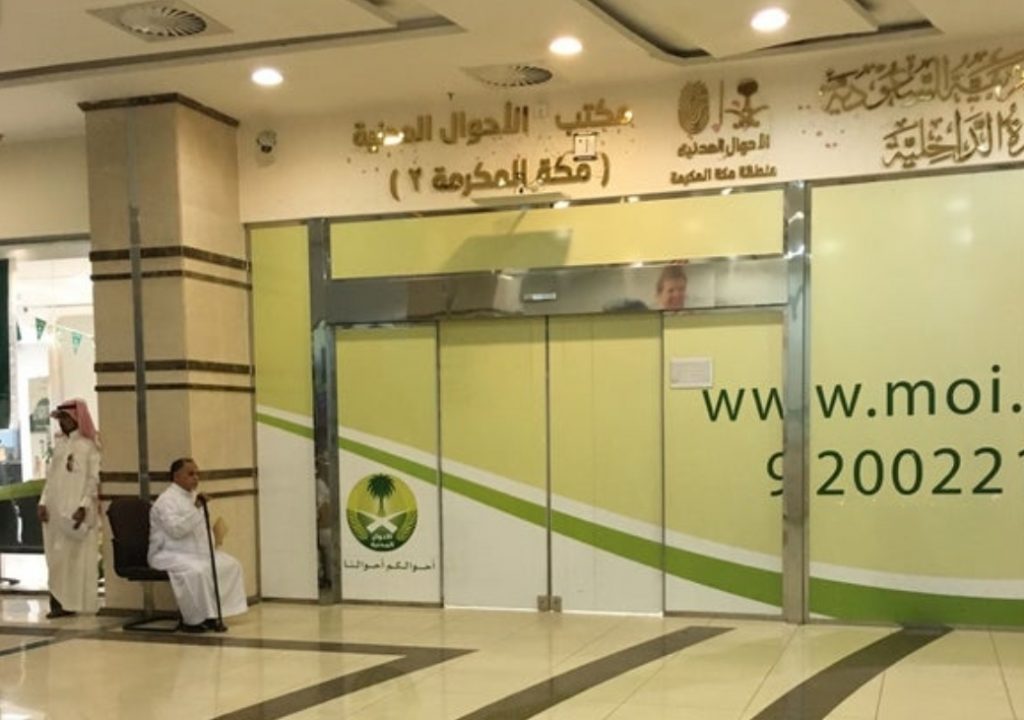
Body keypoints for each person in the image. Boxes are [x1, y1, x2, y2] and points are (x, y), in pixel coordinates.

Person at [149, 458, 247, 632]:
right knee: (198, 571)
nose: (196, 478)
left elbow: (200, 529)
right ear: (176, 477)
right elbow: (176, 531)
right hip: (169, 553)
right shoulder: (166, 501)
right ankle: (193, 620)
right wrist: (195, 509)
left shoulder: (194, 496)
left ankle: (213, 615)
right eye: (190, 474)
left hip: (196, 552)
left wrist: (213, 541)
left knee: (230, 565)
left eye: (197, 474)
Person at [37, 398, 101, 618]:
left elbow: (93, 480)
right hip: (54, 512)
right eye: (60, 418)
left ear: (76, 418)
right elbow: (51, 478)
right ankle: (57, 602)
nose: (62, 422)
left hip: (75, 512)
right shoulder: (60, 445)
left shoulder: (89, 446)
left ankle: (71, 603)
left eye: (66, 418)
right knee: (55, 559)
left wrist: (84, 506)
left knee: (74, 558)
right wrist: (42, 502)